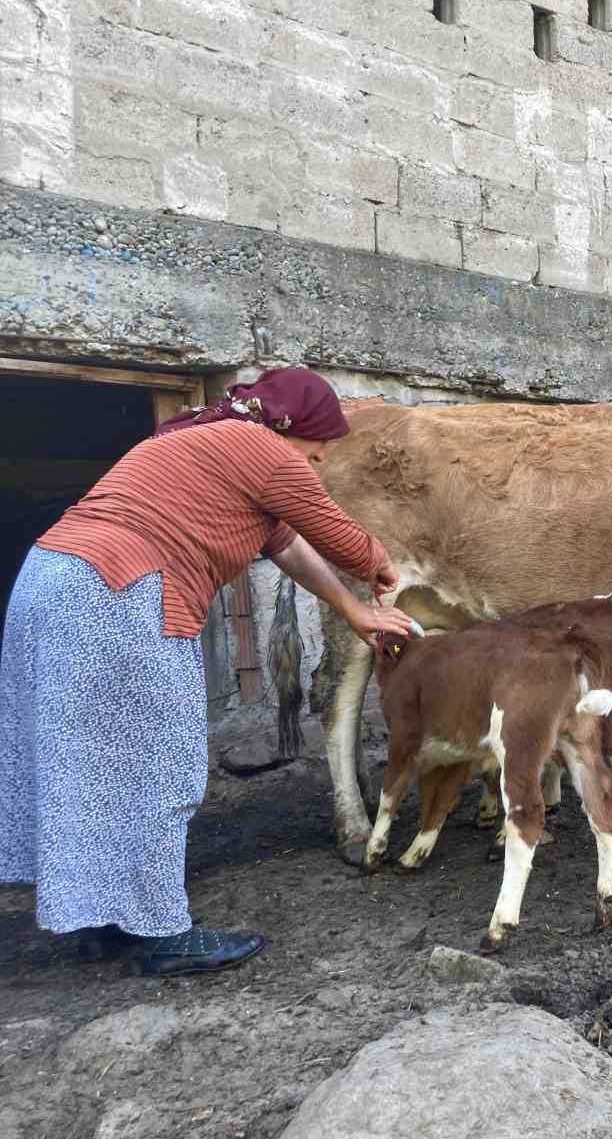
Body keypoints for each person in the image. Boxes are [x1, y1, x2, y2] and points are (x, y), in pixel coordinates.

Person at [0, 368, 414, 977]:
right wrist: (380, 566)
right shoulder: (261, 450)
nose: (324, 454)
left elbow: (288, 544)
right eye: (322, 439)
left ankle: (101, 917)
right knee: (161, 760)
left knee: (86, 758)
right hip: (121, 591)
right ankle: (163, 931)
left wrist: (352, 608)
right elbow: (334, 532)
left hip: (51, 583)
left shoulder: (197, 441)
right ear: (289, 425)